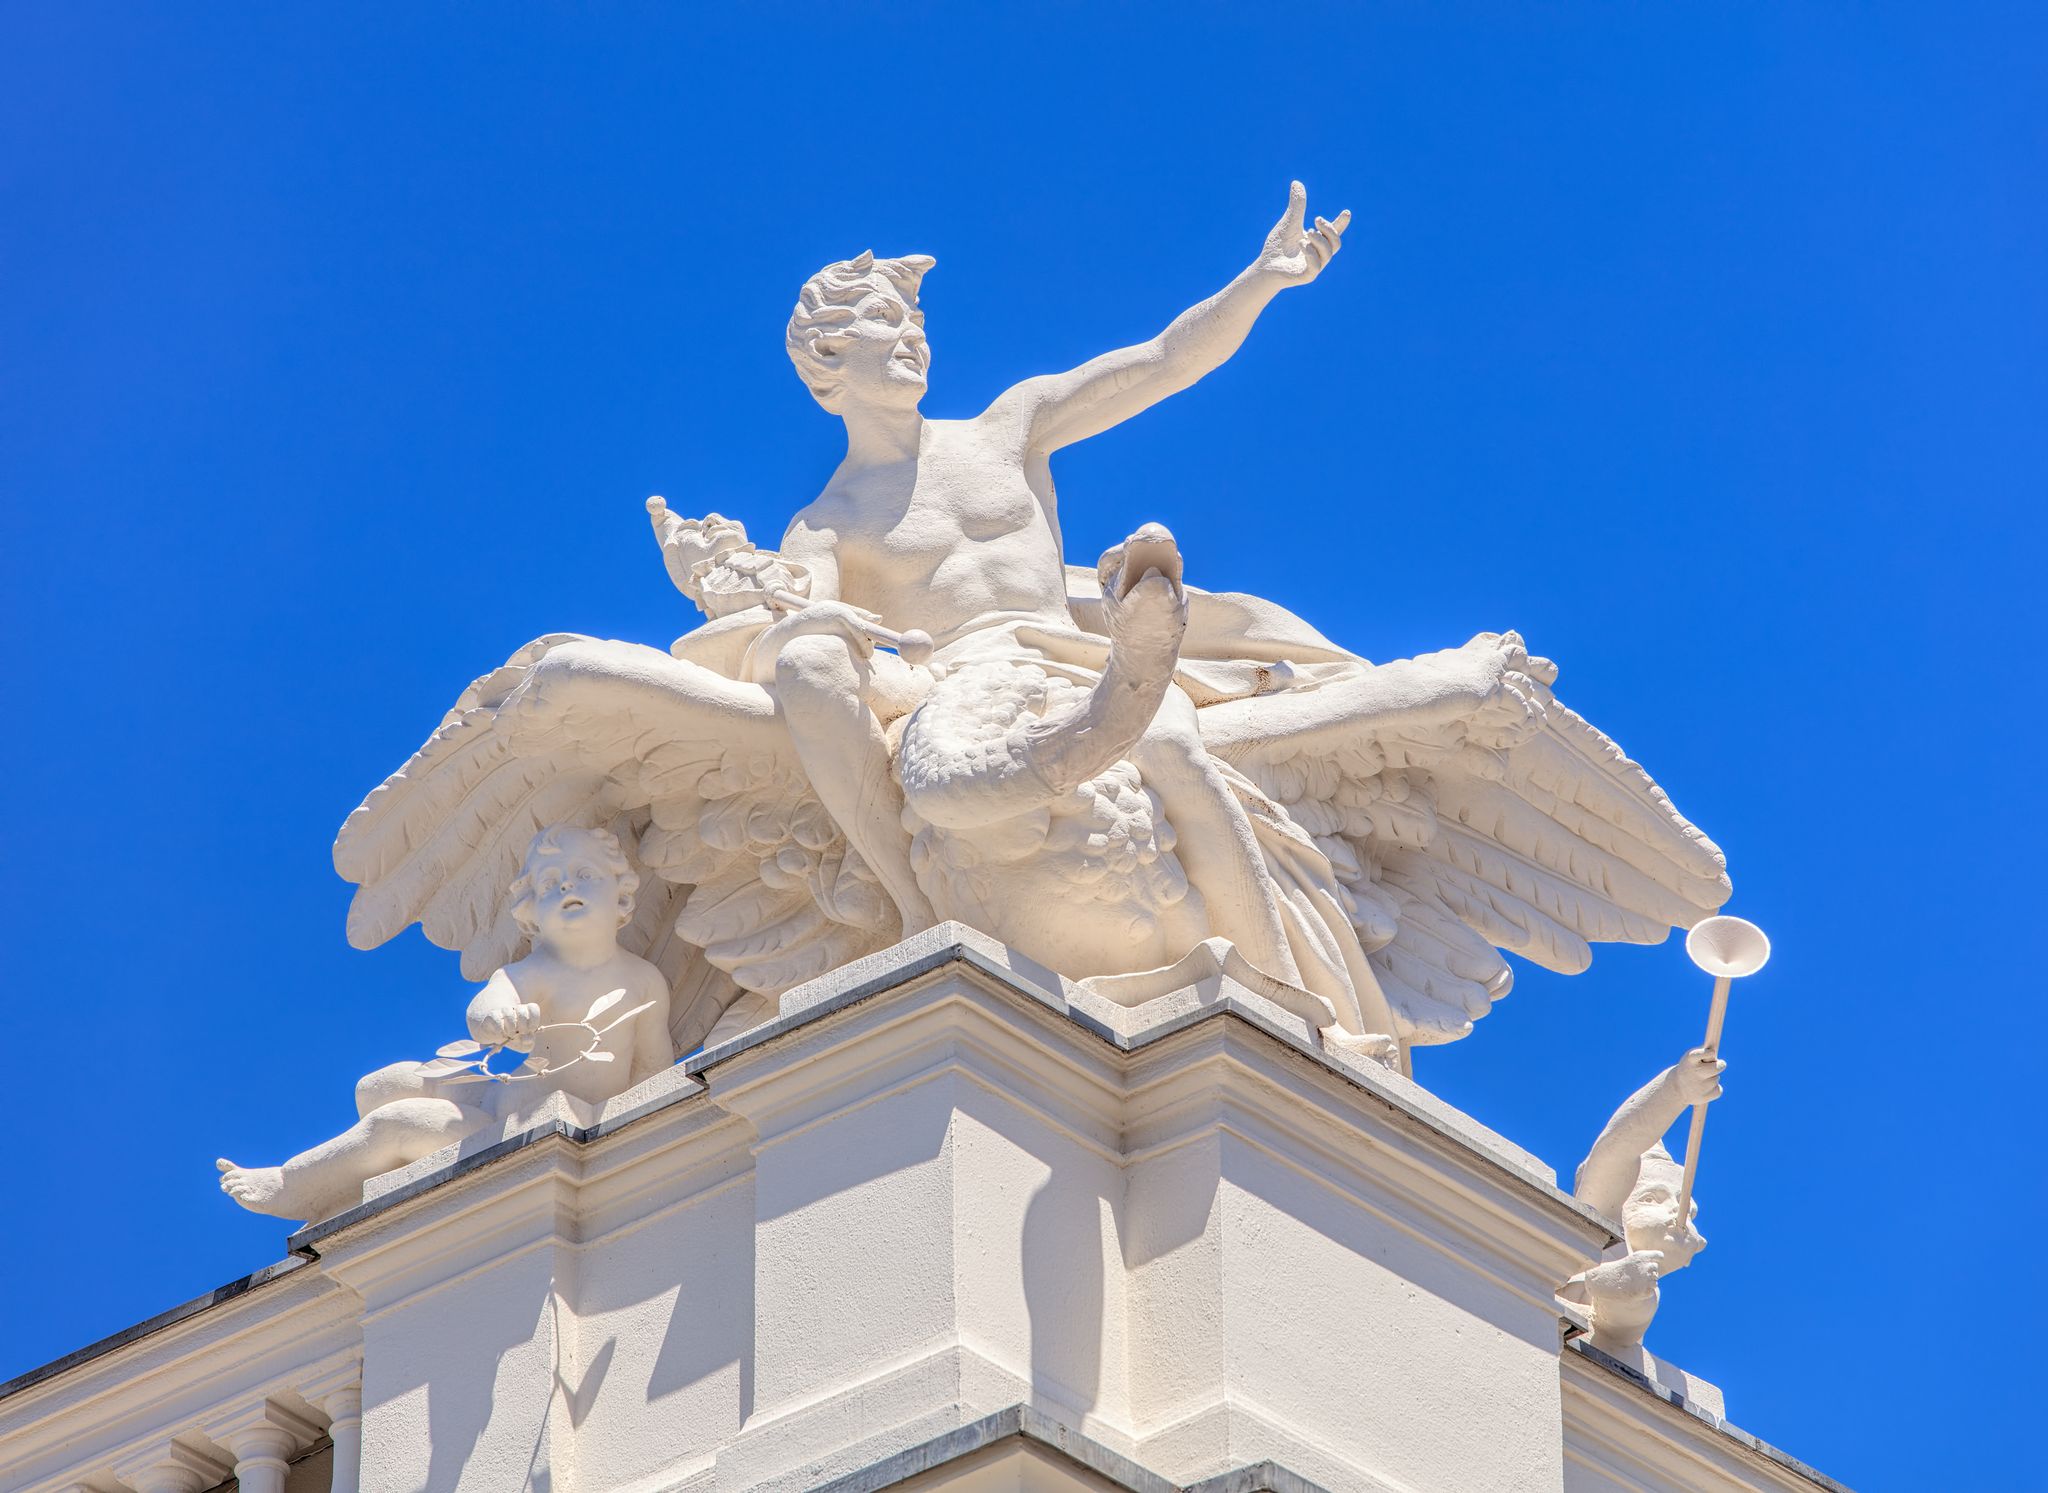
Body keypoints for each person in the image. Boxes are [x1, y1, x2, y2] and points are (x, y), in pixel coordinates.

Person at [218, 825, 672, 1221]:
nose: (566, 887)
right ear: (531, 911)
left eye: (585, 875)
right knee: (381, 1085)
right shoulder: (532, 971)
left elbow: (654, 1070)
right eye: (550, 883)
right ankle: (357, 1179)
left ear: (622, 892)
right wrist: (501, 1020)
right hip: (497, 1097)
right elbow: (485, 1011)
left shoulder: (643, 981)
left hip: (513, 1129)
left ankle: (291, 1184)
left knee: (398, 1119)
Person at [1561, 1047, 1725, 1354]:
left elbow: (1622, 1329)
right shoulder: (1600, 1235)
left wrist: (1630, 1292)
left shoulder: (1646, 1291)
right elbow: (1617, 1148)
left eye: (1686, 1209)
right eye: (1653, 1197)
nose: (1677, 1213)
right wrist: (1676, 1089)